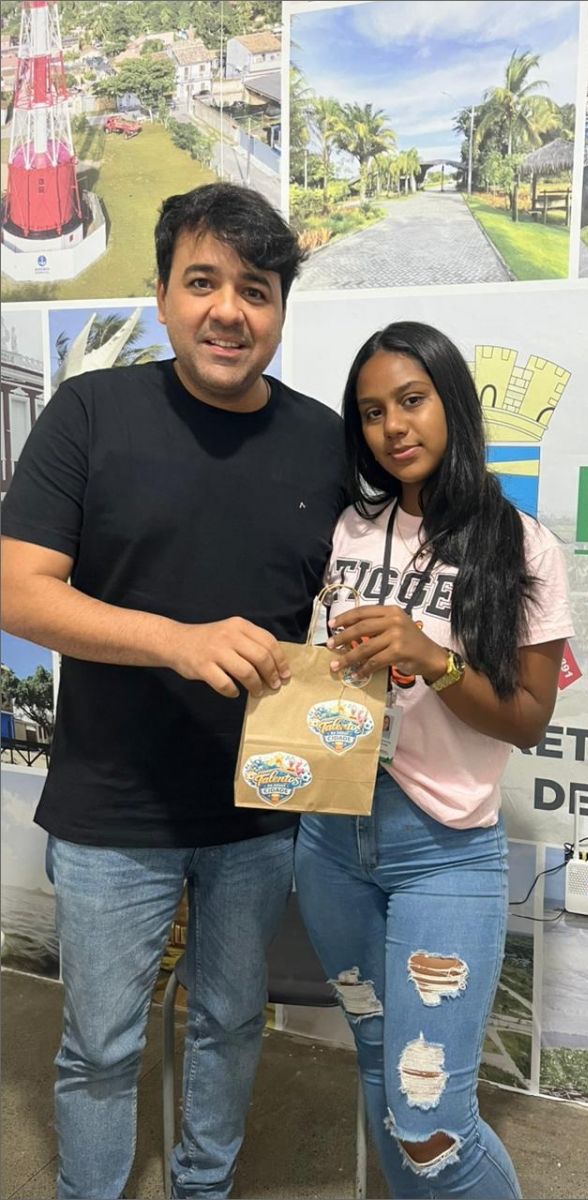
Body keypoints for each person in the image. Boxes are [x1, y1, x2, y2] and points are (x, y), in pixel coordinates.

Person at [0, 183, 347, 1199]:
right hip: (113, 810)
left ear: (279, 309)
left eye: (256, 289)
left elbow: (361, 585)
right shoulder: (90, 413)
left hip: (261, 810)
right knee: (101, 1045)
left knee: (232, 1025)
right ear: (161, 296)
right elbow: (18, 590)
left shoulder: (326, 441)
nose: (228, 311)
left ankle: (204, 1186)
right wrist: (174, 642)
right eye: (202, 283)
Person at [294, 321, 573, 1198]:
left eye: (411, 401)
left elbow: (528, 720)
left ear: (452, 402)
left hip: (443, 851)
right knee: (383, 1075)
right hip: (331, 843)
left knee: (428, 1124)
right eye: (373, 411)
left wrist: (432, 656)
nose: (394, 427)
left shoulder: (520, 544)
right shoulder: (348, 528)